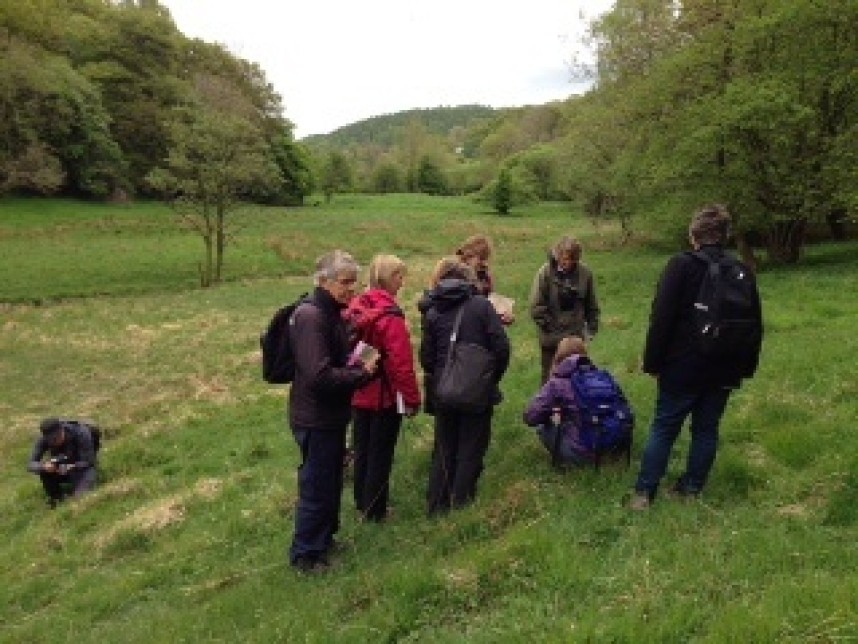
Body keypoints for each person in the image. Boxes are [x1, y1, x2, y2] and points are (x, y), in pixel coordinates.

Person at [630, 205, 763, 510]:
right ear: (725, 236)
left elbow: (660, 318)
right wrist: (745, 368)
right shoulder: (741, 270)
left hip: (683, 364)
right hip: (725, 367)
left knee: (664, 427)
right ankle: (691, 490)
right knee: (706, 429)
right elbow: (755, 323)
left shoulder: (681, 265)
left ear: (694, 235)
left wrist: (652, 363)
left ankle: (643, 494)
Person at [287, 250, 378, 572]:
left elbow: (338, 359)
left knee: (331, 480)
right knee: (316, 484)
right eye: (345, 282)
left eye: (354, 282)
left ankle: (323, 539)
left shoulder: (334, 314)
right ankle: (306, 555)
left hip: (331, 414)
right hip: (315, 417)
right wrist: (361, 375)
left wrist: (361, 357)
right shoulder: (311, 317)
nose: (351, 289)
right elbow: (319, 374)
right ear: (323, 281)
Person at [420, 258, 510, 515]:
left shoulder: (433, 309)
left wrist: (439, 378)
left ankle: (437, 505)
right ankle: (461, 505)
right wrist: (490, 379)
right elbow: (501, 347)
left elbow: (426, 356)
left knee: (444, 447)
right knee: (471, 447)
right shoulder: (481, 306)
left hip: (443, 389)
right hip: (476, 390)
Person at [345, 254, 421, 522]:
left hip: (357, 390)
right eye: (399, 276)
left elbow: (354, 351)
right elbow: (401, 364)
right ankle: (376, 510)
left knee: (362, 449)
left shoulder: (356, 309)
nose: (402, 282)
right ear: (389, 279)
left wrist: (365, 367)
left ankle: (361, 503)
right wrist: (412, 399)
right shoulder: (391, 317)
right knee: (380, 453)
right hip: (384, 396)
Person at [529, 236, 600, 384]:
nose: (566, 263)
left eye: (571, 260)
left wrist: (591, 331)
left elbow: (592, 306)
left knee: (578, 382)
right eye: (563, 258)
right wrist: (553, 330)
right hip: (551, 340)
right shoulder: (545, 273)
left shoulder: (585, 274)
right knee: (551, 383)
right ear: (557, 255)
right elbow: (536, 307)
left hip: (576, 341)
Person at [522, 336, 592, 467]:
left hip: (579, 454)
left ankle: (567, 459)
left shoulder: (556, 383)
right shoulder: (600, 376)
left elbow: (530, 418)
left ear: (558, 355)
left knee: (542, 425)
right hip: (609, 446)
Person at [28, 418, 99, 507]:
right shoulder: (43, 440)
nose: (55, 442)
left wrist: (72, 466)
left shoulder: (81, 432)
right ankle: (57, 497)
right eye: (51, 440)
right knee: (44, 471)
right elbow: (31, 464)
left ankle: (79, 491)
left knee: (79, 499)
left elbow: (89, 461)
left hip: (83, 468)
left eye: (57, 438)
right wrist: (44, 466)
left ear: (62, 430)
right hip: (61, 468)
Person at [456, 234, 514, 324]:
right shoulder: (453, 276)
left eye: (485, 259)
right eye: (480, 258)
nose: (483, 263)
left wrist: (504, 316)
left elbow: (489, 304)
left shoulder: (485, 275)